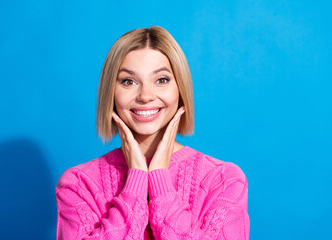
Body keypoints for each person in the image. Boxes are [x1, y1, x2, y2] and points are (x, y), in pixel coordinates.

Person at [55, 26, 250, 239]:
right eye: (128, 81)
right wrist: (136, 181)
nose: (145, 95)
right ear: (111, 93)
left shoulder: (224, 181)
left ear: (180, 89)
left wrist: (160, 182)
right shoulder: (78, 184)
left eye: (162, 80)